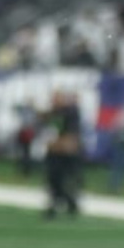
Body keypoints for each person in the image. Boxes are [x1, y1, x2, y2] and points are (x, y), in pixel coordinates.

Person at [41, 88, 85, 218]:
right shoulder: (53, 113)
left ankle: (67, 204)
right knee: (53, 181)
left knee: (63, 181)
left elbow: (71, 138)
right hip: (55, 153)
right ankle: (65, 204)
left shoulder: (70, 113)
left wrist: (56, 145)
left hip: (65, 154)